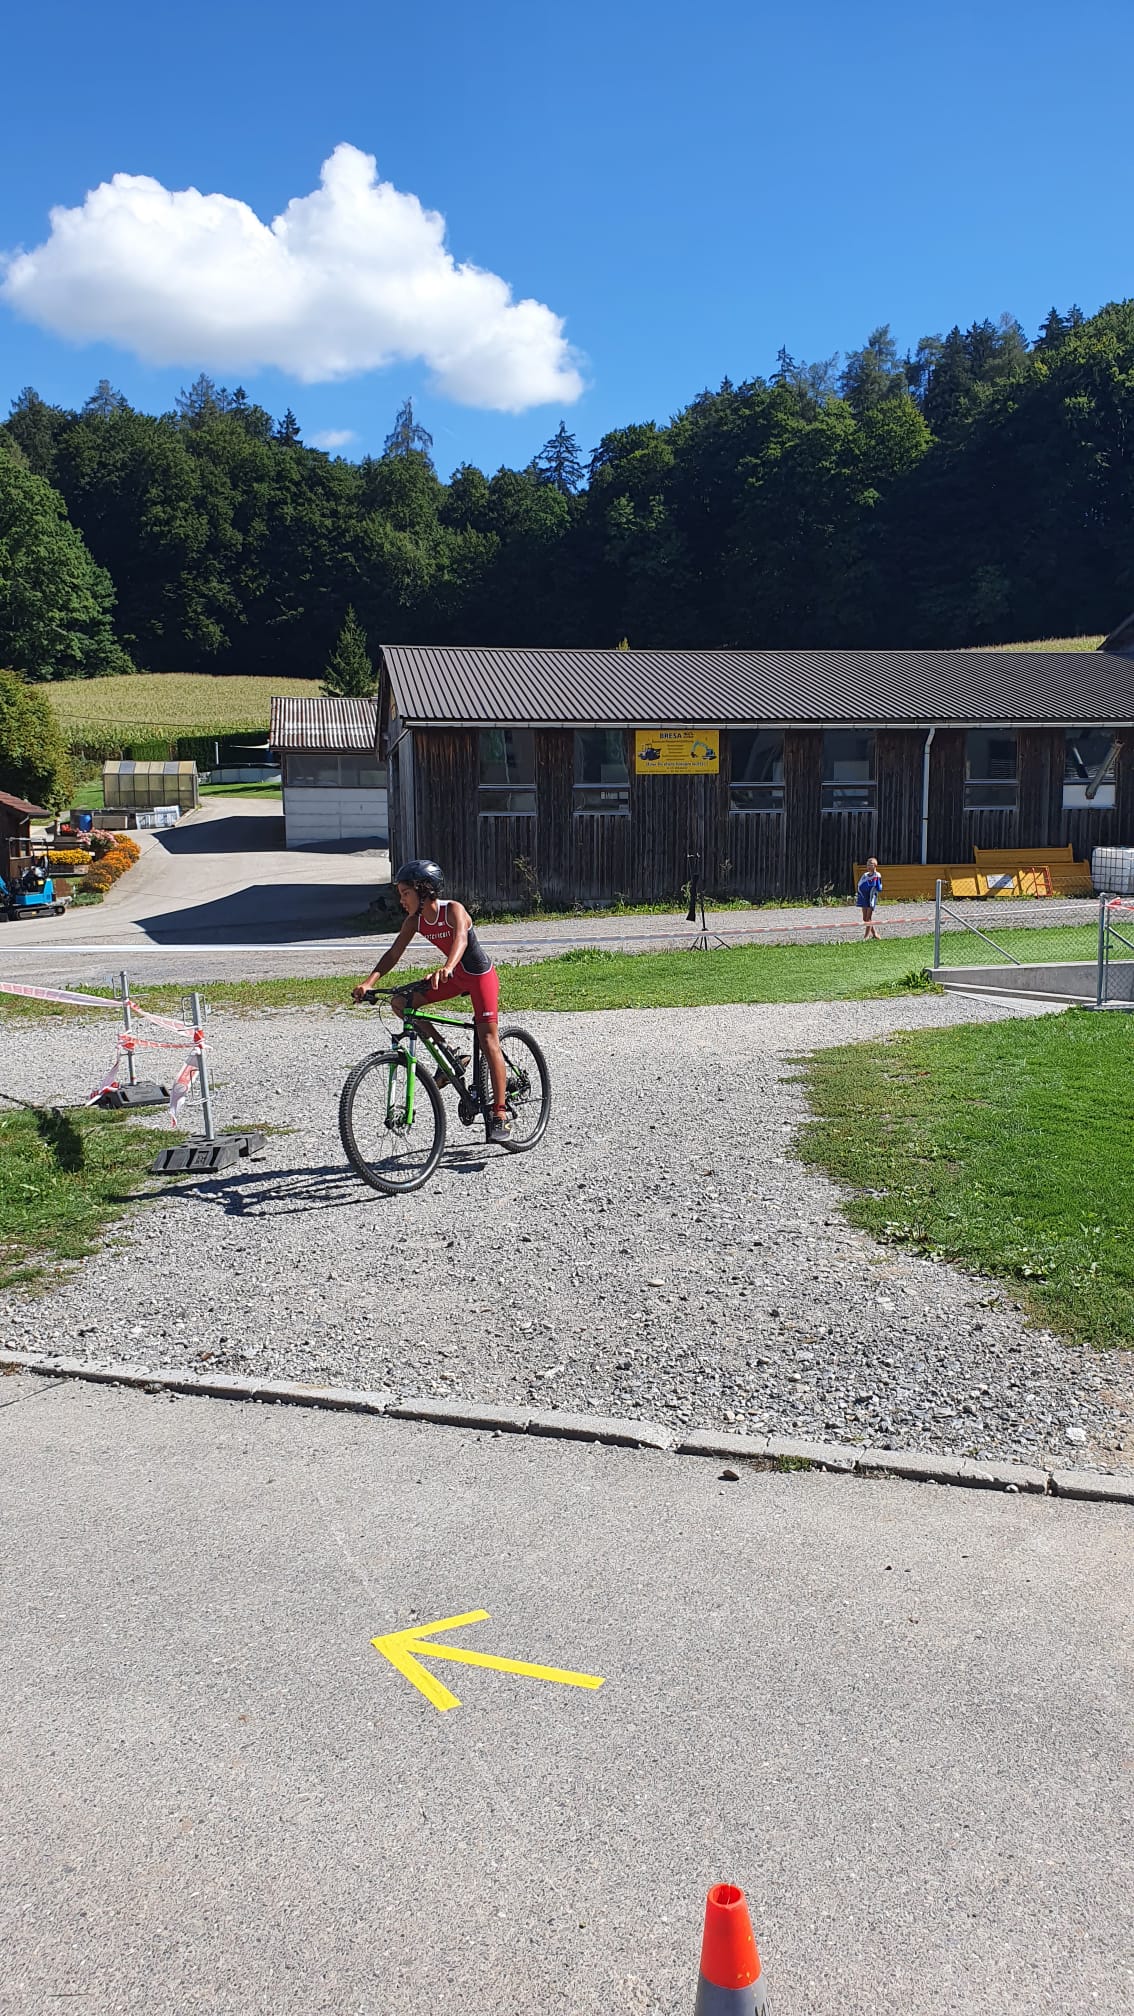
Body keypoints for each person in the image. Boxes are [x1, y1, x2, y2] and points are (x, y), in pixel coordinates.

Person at [352, 858, 512, 1143]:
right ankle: (450, 1055)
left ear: (424, 890)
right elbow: (393, 953)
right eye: (400, 894)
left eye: (405, 893)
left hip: (479, 977)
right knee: (401, 1004)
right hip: (452, 976)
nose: (401, 900)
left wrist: (448, 967)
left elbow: (461, 940)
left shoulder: (453, 910)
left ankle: (499, 1112)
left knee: (489, 1041)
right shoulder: (414, 921)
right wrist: (369, 982)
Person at [856, 857, 883, 940]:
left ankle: (866, 937)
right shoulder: (865, 875)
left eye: (870, 865)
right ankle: (874, 934)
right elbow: (859, 885)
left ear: (875, 865)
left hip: (871, 897)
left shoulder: (877, 875)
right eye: (867, 864)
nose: (868, 866)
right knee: (865, 918)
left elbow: (879, 888)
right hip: (864, 897)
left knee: (868, 918)